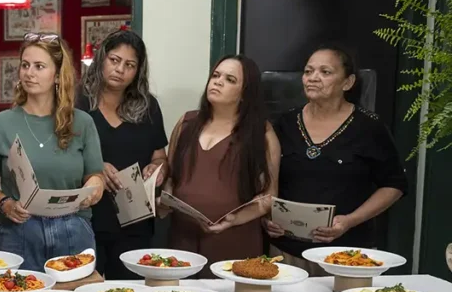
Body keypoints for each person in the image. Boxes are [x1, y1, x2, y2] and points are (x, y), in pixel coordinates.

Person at [265, 45, 407, 272]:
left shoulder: (369, 127)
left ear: (348, 82)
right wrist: (267, 217)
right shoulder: (285, 123)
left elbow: (394, 185)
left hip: (345, 255)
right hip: (286, 253)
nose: (313, 78)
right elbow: (267, 178)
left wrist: (349, 220)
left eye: (325, 72)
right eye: (308, 71)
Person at [0, 33, 104, 271]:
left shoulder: (82, 123)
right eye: (25, 65)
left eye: (39, 66)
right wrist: (4, 203)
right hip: (18, 229)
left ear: (57, 75)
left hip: (73, 228)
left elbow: (95, 175)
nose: (29, 73)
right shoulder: (0, 123)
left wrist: (95, 190)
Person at [162, 54, 280, 275]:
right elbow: (172, 176)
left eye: (230, 79)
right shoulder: (186, 122)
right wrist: (166, 198)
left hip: (235, 240)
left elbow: (269, 197)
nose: (217, 82)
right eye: (216, 75)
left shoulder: (261, 133)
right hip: (183, 237)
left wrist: (235, 219)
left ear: (245, 93)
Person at [81, 29, 168, 279]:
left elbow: (160, 156)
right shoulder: (77, 101)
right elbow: (62, 155)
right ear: (102, 59)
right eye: (115, 60)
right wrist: (96, 166)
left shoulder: (148, 106)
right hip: (87, 217)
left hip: (134, 219)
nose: (120, 69)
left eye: (129, 65)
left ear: (137, 71)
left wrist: (157, 169)